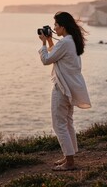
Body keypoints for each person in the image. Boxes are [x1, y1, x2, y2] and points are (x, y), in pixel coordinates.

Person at [38, 11, 92, 171]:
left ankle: (69, 162)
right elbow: (56, 55)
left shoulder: (64, 43)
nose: (54, 28)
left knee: (59, 124)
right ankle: (69, 155)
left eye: (55, 25)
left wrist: (42, 44)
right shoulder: (71, 41)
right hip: (71, 86)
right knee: (68, 122)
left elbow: (47, 59)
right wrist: (49, 41)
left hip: (61, 88)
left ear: (62, 26)